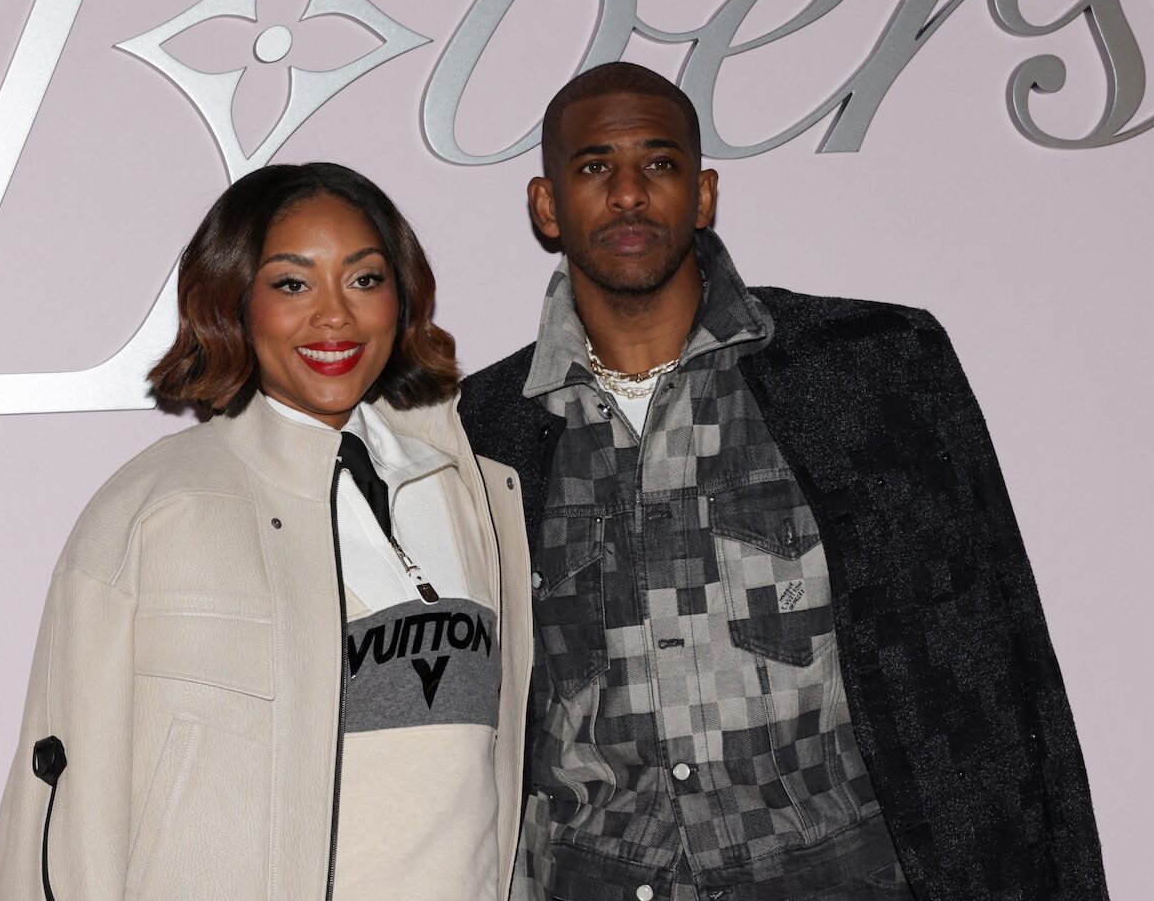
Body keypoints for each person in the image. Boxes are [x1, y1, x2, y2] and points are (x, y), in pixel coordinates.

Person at [458, 63, 1108, 901]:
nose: (627, 194)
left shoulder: (868, 371)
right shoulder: (482, 432)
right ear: (547, 205)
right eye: (593, 168)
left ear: (702, 194)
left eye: (658, 165)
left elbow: (996, 659)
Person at [0, 162, 533, 901]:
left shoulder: (468, 488)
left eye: (365, 279)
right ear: (233, 300)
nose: (334, 316)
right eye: (291, 283)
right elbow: (59, 811)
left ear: (401, 298)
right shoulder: (157, 509)